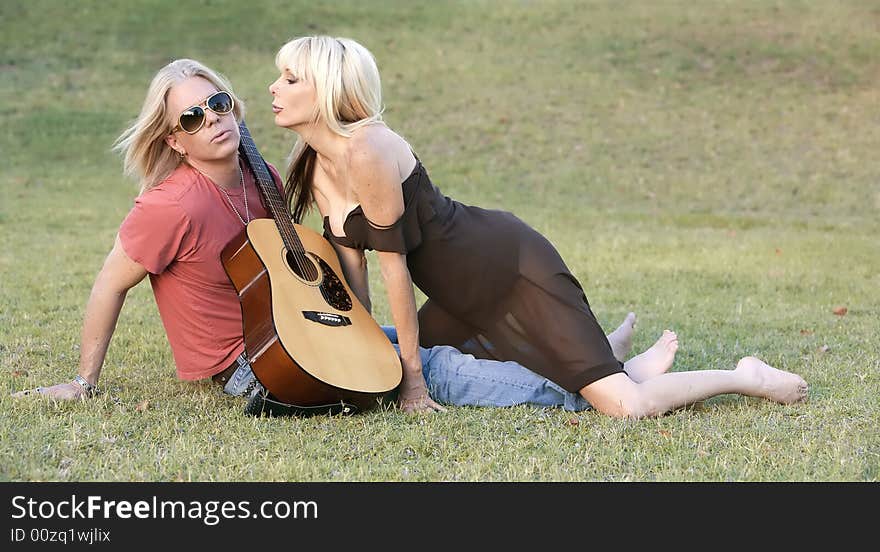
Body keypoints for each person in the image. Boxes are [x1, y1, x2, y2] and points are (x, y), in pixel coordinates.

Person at [10, 58, 640, 416]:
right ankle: (588, 393)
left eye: (221, 102)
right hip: (253, 365)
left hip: (304, 328)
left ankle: (588, 363)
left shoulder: (263, 183)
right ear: (174, 138)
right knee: (431, 365)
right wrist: (85, 380)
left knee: (444, 330)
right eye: (194, 118)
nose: (216, 120)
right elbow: (108, 283)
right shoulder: (169, 205)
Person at [267, 35, 809, 418]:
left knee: (624, 408)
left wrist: (411, 379)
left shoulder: (367, 150)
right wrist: (361, 351)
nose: (274, 87)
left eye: (291, 78)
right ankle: (613, 357)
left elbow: (395, 271)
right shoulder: (316, 165)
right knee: (460, 368)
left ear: (328, 89)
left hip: (508, 268)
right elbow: (354, 272)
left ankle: (744, 376)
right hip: (458, 297)